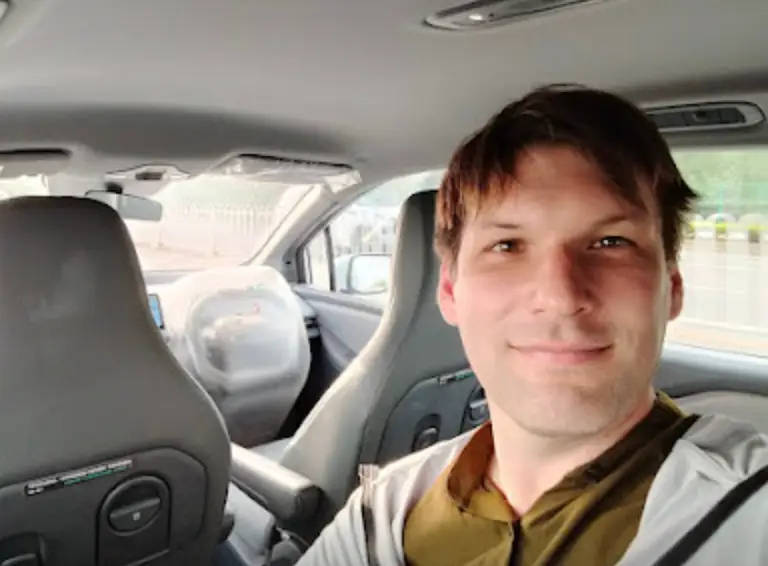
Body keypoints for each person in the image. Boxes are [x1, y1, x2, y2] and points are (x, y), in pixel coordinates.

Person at [295, 85, 768, 565]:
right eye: (508, 246)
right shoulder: (379, 515)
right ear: (450, 292)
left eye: (610, 243)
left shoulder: (749, 505)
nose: (561, 297)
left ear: (673, 287)